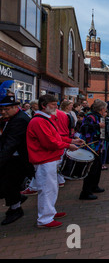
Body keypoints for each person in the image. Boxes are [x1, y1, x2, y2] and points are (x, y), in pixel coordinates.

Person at [26, 95, 80, 228]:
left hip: (49, 158)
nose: (56, 107)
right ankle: (44, 219)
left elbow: (56, 137)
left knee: (52, 188)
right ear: (44, 105)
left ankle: (50, 212)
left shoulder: (46, 119)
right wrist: (68, 145)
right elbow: (49, 142)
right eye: (53, 104)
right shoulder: (39, 121)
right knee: (47, 189)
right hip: (44, 159)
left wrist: (71, 140)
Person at [0, 86, 34, 225]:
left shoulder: (19, 120)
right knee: (8, 184)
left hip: (18, 160)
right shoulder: (11, 118)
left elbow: (10, 144)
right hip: (13, 158)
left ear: (16, 107)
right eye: (1, 110)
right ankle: (16, 202)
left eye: (6, 109)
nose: (3, 112)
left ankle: (16, 209)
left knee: (10, 184)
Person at [78, 99, 108, 200]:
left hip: (98, 146)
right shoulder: (90, 117)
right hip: (90, 146)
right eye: (105, 109)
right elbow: (83, 128)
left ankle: (94, 186)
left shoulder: (100, 117)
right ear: (102, 109)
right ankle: (85, 192)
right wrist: (97, 125)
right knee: (91, 169)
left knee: (97, 167)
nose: (106, 110)